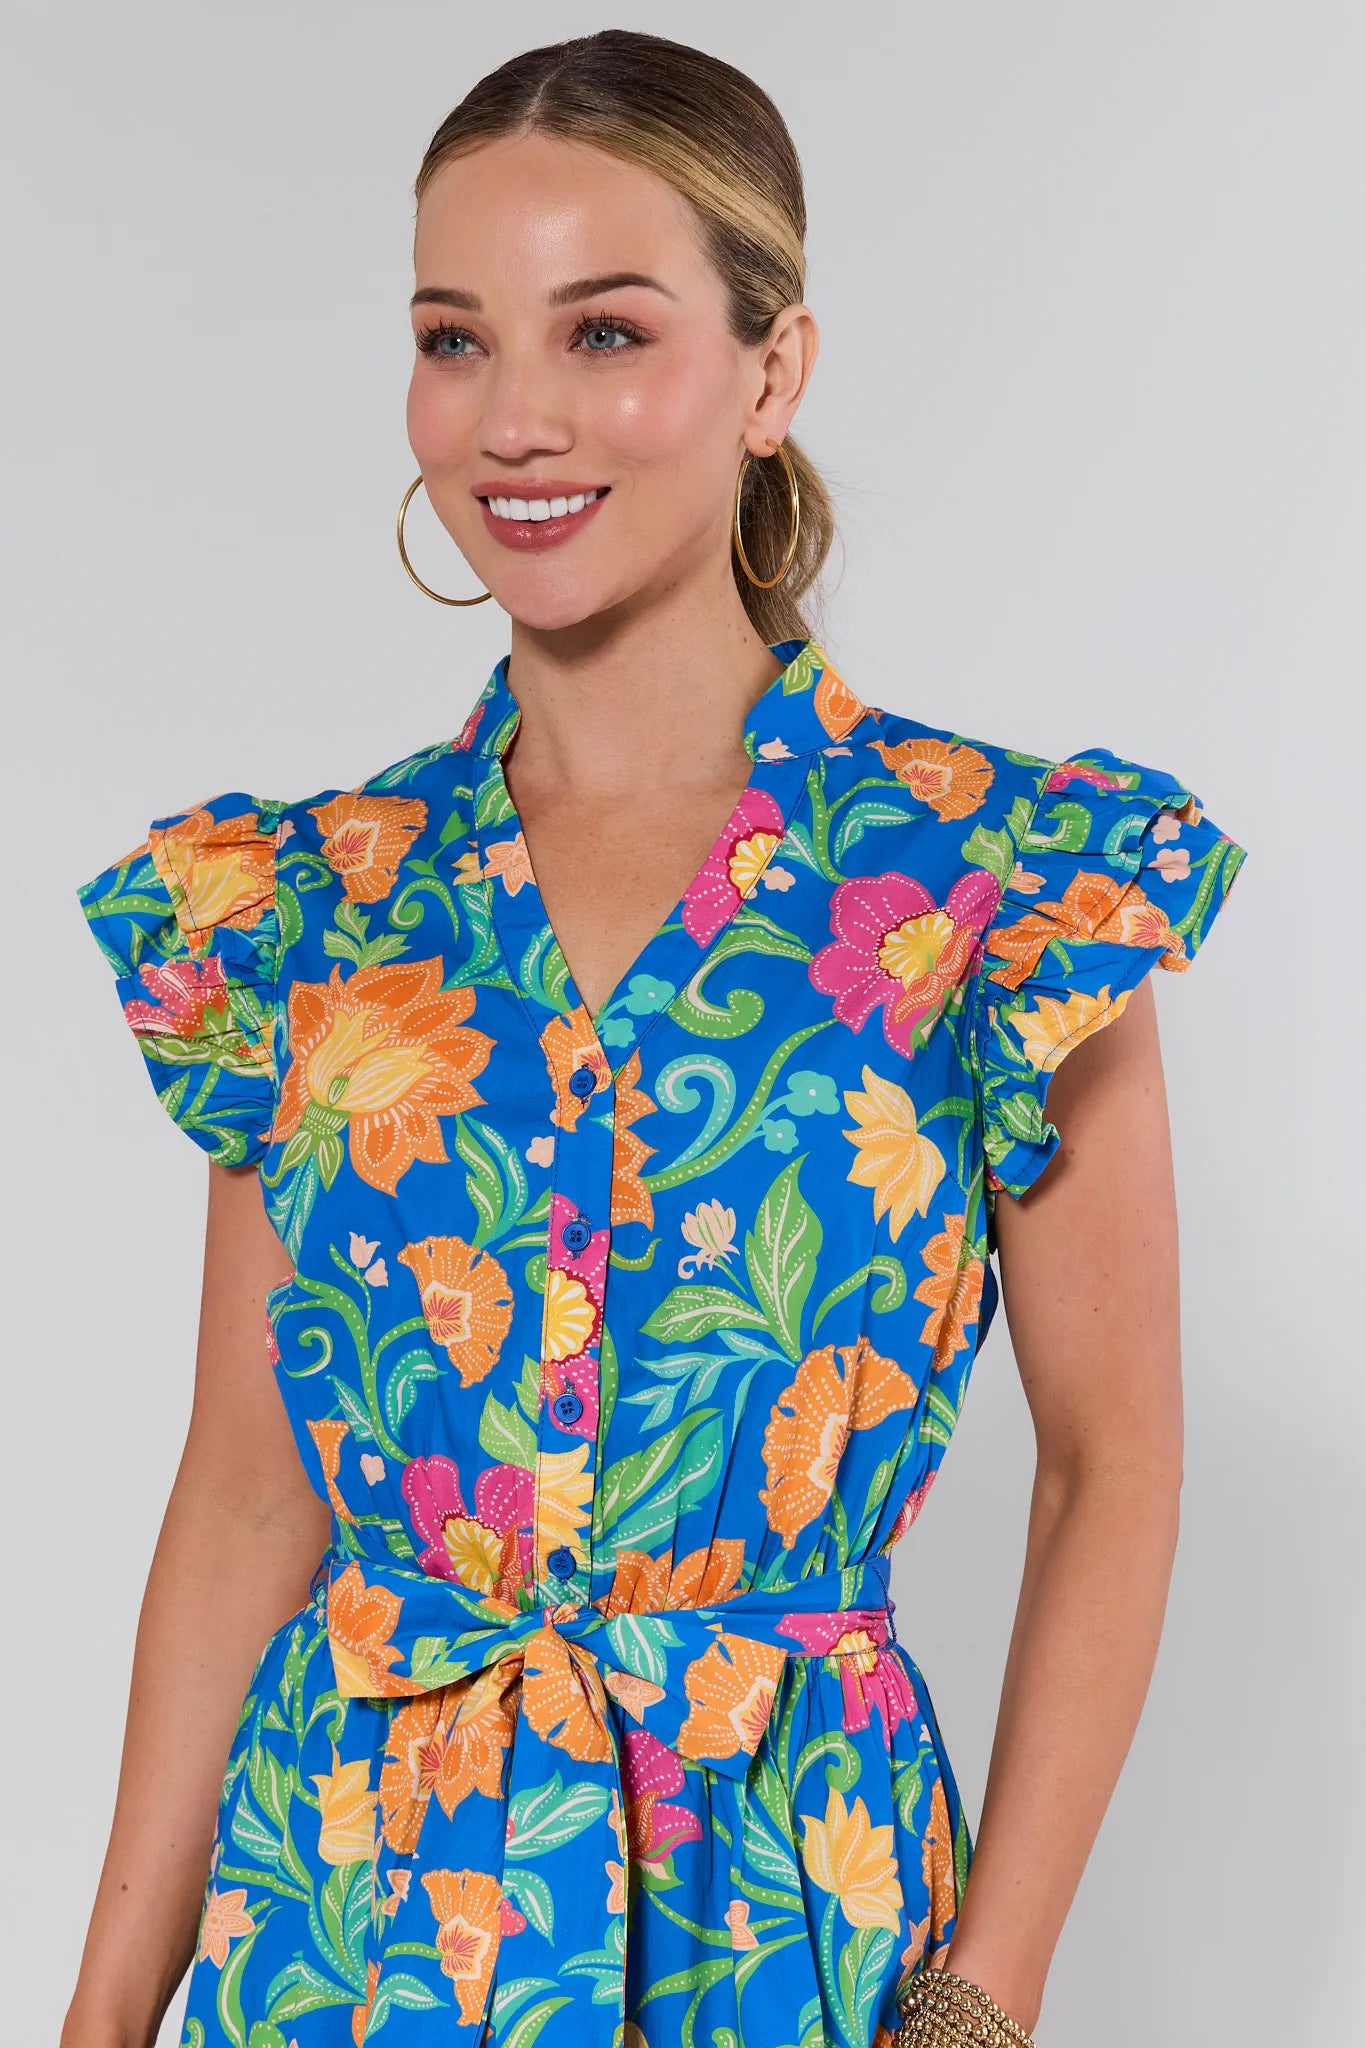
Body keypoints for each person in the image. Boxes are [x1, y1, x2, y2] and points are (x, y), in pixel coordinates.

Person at [62, 29, 1248, 2048]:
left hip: (791, 1930)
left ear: (771, 374)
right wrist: (96, 2019)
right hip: (353, 1933)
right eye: (454, 339)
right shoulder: (310, 913)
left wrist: (983, 1992)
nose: (514, 418)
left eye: (603, 331)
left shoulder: (991, 884)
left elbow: (1109, 1462)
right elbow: (252, 1493)